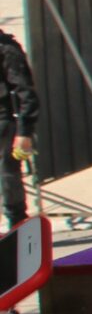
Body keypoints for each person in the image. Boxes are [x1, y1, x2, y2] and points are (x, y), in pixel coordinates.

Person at [0, 25, 38, 229]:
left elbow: (26, 94)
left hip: (4, 122)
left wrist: (24, 132)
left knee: (8, 176)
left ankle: (17, 224)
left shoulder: (7, 49)